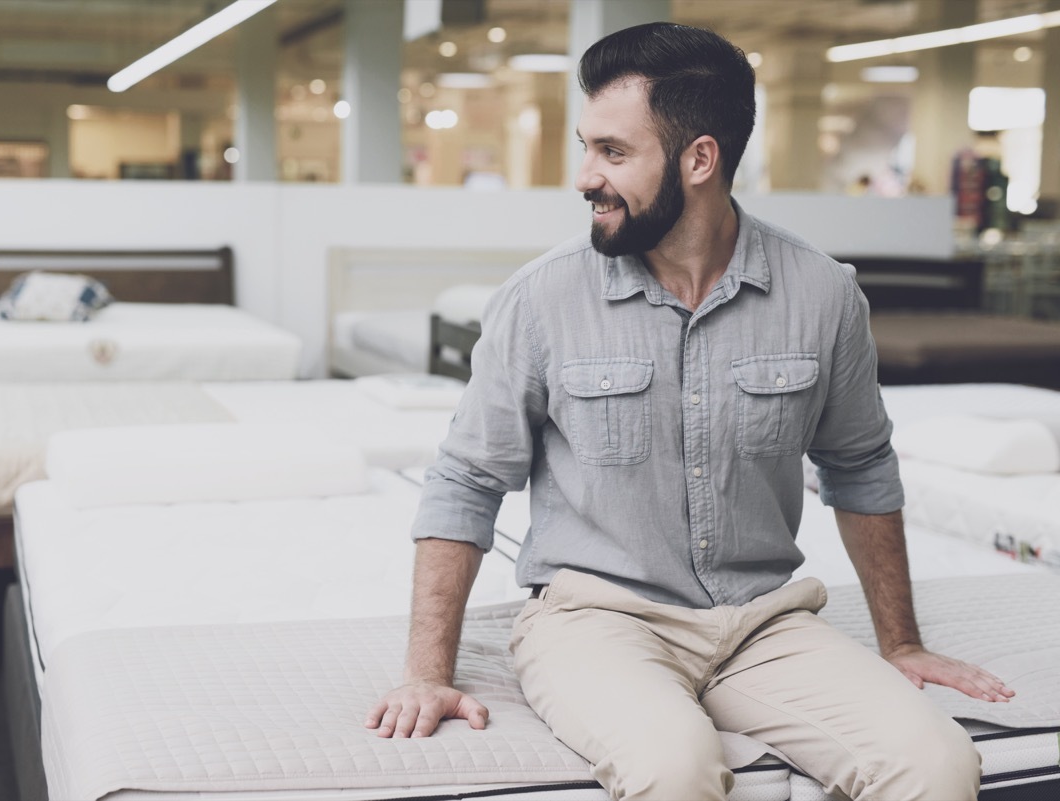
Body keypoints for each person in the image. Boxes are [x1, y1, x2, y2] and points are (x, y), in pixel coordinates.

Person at [365, 21, 1012, 801]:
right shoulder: (542, 298)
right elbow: (467, 480)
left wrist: (901, 642)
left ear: (699, 158)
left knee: (936, 763)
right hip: (595, 621)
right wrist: (426, 674)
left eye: (612, 151)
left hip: (764, 625)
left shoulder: (822, 294)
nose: (583, 176)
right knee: (676, 768)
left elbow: (860, 463)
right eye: (587, 146)